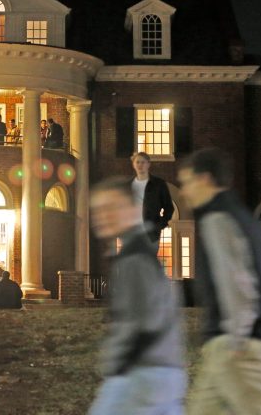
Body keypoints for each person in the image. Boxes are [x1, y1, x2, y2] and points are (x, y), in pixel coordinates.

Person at [178, 148, 261, 414]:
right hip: (223, 347)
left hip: (239, 346)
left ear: (204, 179)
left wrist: (237, 337)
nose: (184, 191)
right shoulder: (235, 214)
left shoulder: (217, 218)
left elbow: (236, 280)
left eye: (186, 182)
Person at [87, 176, 186, 415]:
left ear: (133, 210)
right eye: (99, 210)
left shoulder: (134, 259)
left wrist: (118, 361)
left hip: (140, 375)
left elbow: (145, 322)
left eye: (112, 208)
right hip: (164, 373)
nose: (104, 216)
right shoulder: (141, 253)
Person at [131, 151, 174, 244]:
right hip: (132, 233)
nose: (140, 165)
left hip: (151, 234)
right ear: (133, 164)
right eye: (137, 162)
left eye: (143, 162)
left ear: (148, 164)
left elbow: (169, 207)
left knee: (149, 258)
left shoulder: (159, 184)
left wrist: (159, 226)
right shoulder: (128, 185)